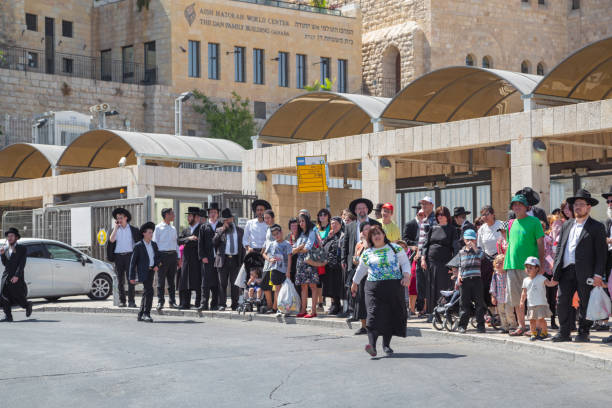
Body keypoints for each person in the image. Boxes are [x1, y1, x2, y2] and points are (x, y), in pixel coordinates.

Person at [551, 189, 607, 343]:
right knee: (562, 301)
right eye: (575, 204)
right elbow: (560, 249)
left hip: (586, 271)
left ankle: (583, 331)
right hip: (566, 270)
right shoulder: (567, 224)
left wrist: (597, 274)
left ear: (589, 207)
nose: (577, 207)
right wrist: (556, 271)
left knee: (585, 302)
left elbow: (601, 254)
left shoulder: (597, 227)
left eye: (581, 204)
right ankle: (564, 331)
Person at [352, 225, 410, 356]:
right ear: (371, 238)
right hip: (373, 287)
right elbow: (361, 269)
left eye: (379, 233)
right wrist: (355, 282)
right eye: (373, 234)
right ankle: (372, 346)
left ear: (384, 234)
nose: (377, 236)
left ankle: (386, 345)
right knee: (372, 314)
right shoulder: (367, 252)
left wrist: (406, 276)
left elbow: (405, 263)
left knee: (389, 315)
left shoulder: (395, 248)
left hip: (394, 286)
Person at [503, 194, 545, 337]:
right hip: (511, 265)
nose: (517, 207)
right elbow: (509, 245)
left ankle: (536, 327)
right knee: (516, 299)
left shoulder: (534, 222)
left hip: (530, 267)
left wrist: (542, 264)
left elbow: (540, 244)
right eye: (514, 204)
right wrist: (505, 265)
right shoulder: (510, 223)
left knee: (534, 298)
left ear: (526, 206)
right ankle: (521, 326)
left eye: (520, 204)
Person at [342, 198, 381, 319]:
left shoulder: (376, 224)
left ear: (368, 210)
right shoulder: (350, 226)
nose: (362, 210)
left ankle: (372, 315)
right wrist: (344, 260)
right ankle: (354, 313)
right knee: (355, 289)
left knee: (370, 289)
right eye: (359, 208)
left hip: (372, 261)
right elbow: (345, 243)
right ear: (355, 211)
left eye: (364, 208)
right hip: (354, 261)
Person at [421, 206, 459, 322]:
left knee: (443, 287)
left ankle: (443, 312)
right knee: (431, 287)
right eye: (438, 215)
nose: (440, 217)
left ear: (447, 216)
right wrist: (423, 259)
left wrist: (454, 266)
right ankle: (432, 313)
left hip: (445, 263)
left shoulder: (452, 230)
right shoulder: (432, 228)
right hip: (431, 262)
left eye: (442, 214)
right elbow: (425, 245)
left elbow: (455, 248)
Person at [403, 196, 436, 318]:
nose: (424, 207)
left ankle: (431, 311)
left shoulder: (434, 219)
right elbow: (422, 240)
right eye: (422, 204)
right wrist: (419, 253)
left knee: (430, 284)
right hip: (422, 256)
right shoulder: (425, 220)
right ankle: (427, 310)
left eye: (426, 204)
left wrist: (422, 254)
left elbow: (430, 240)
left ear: (432, 205)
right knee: (422, 285)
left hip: (431, 256)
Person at [449, 229, 486, 334]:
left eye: (472, 239)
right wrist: (459, 276)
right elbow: (460, 265)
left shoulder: (478, 250)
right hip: (465, 280)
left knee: (479, 304)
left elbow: (482, 257)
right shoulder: (461, 252)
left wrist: (474, 247)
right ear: (464, 240)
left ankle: (480, 326)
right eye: (467, 239)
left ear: (475, 240)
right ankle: (462, 326)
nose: (469, 241)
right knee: (464, 304)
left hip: (476, 279)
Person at [107, 207, 142, 308]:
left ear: (126, 218)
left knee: (131, 279)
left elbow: (138, 243)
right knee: (120, 280)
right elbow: (111, 240)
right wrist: (116, 228)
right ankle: (122, 301)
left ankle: (131, 301)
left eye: (121, 218)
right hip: (118, 257)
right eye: (117, 218)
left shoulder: (133, 230)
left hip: (130, 256)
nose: (119, 220)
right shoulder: (115, 230)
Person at [213, 208, 245, 311]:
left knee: (235, 283)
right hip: (223, 259)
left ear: (232, 219)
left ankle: (235, 304)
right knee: (222, 283)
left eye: (228, 219)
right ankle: (222, 304)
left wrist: (243, 260)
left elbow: (243, 246)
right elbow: (214, 243)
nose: (227, 222)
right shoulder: (219, 230)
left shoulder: (240, 231)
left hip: (235, 259)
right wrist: (222, 229)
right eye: (225, 220)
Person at [129, 222, 160, 323]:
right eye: (150, 232)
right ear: (144, 233)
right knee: (149, 291)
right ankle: (147, 314)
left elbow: (157, 257)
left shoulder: (154, 245)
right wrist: (132, 276)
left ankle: (141, 314)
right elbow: (133, 263)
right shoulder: (138, 246)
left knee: (147, 292)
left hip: (151, 271)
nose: (151, 234)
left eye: (152, 232)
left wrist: (156, 265)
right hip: (143, 271)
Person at [521, 257, 557, 340]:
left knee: (541, 319)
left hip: (541, 303)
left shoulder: (541, 278)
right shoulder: (525, 280)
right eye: (527, 267)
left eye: (531, 268)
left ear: (537, 268)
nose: (528, 269)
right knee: (531, 320)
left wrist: (555, 281)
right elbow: (524, 292)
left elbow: (549, 284)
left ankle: (544, 332)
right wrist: (522, 301)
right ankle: (533, 333)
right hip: (530, 304)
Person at [0, 228, 32, 322]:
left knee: (17, 296)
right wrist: (2, 255)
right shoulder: (5, 249)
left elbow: (22, 264)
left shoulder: (22, 248)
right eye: (8, 236)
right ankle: (8, 316)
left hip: (16, 276)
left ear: (16, 238)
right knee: (3, 295)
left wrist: (17, 276)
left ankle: (27, 305)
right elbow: (6, 264)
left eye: (12, 236)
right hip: (6, 276)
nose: (9, 238)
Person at [293, 213, 319, 318]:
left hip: (310, 261)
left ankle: (313, 311)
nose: (301, 223)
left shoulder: (311, 232)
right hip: (300, 262)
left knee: (312, 286)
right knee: (303, 286)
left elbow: (307, 248)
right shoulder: (299, 234)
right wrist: (300, 247)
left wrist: (299, 248)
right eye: (299, 221)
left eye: (303, 221)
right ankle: (303, 309)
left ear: (307, 221)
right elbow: (293, 250)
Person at [153, 208, 179, 311]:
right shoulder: (158, 228)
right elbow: (154, 244)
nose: (174, 215)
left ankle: (172, 301)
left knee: (172, 281)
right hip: (162, 256)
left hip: (172, 255)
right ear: (166, 215)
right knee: (161, 280)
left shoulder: (173, 228)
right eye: (172, 213)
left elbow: (176, 243)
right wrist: (157, 259)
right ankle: (160, 301)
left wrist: (178, 257)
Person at [262, 224, 292, 314]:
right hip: (275, 269)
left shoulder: (287, 244)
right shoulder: (272, 244)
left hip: (284, 270)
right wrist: (269, 259)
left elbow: (289, 258)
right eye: (274, 235)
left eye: (277, 233)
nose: (276, 236)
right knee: (277, 289)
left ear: (281, 232)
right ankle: (279, 308)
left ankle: (284, 307)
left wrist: (288, 271)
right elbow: (264, 253)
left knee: (285, 289)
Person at [177, 207, 202, 310]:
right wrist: (189, 238)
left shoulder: (201, 228)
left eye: (190, 216)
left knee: (197, 281)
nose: (188, 218)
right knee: (185, 281)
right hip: (186, 259)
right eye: (188, 216)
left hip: (197, 259)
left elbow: (199, 242)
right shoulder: (186, 229)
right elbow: (179, 241)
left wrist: (187, 242)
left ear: (196, 217)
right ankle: (185, 303)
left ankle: (198, 303)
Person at [198, 204, 219, 311]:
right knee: (205, 282)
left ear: (217, 214)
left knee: (217, 282)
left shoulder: (221, 225)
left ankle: (215, 303)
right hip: (207, 258)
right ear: (208, 214)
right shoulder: (204, 226)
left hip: (219, 258)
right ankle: (204, 303)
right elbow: (200, 243)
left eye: (214, 212)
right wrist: (202, 256)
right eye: (211, 212)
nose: (212, 214)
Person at [489, 254, 517, 334]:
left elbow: (512, 283)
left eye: (501, 263)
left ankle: (513, 326)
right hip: (499, 298)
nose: (498, 265)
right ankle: (504, 327)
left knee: (509, 312)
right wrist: (493, 296)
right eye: (497, 263)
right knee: (501, 313)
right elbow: (493, 286)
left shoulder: (508, 273)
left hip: (508, 297)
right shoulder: (495, 275)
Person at [322, 216, 344, 315]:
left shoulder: (342, 235)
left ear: (340, 224)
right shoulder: (330, 235)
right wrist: (328, 237)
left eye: (335, 223)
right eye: (332, 224)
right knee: (330, 286)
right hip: (329, 265)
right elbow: (322, 245)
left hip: (338, 265)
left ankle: (339, 305)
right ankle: (334, 304)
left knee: (338, 286)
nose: (333, 225)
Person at [541, 220, 558, 329]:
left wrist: (552, 266)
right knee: (541, 298)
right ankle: (541, 322)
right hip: (537, 271)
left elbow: (552, 254)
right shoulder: (533, 239)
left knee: (551, 298)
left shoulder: (548, 239)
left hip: (548, 271)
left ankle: (552, 321)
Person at [260, 208, 277, 310]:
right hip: (267, 260)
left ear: (273, 218)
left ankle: (274, 306)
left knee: (274, 285)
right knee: (265, 284)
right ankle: (270, 305)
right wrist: (262, 251)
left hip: (273, 260)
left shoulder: (275, 228)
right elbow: (266, 242)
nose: (266, 220)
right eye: (265, 218)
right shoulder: (268, 229)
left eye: (268, 218)